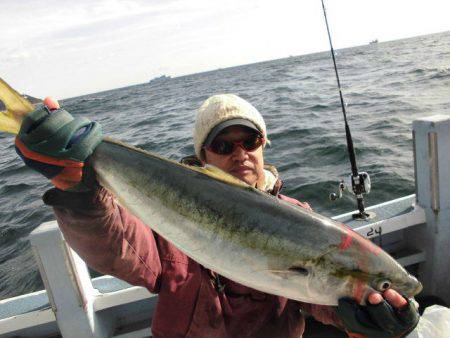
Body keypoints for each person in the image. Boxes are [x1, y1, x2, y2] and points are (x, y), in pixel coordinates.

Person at [15, 93, 419, 338]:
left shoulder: (303, 221)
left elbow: (320, 302)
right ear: (203, 156)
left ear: (264, 146)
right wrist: (83, 193)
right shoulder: (165, 221)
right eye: (223, 145)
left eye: (250, 140)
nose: (239, 152)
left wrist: (369, 318)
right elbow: (118, 248)